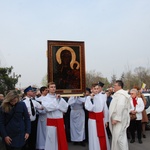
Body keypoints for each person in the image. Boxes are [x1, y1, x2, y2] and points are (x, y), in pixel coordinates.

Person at [42, 82, 69, 150]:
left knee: (61, 139)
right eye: (51, 87)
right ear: (48, 88)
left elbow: (65, 108)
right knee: (51, 140)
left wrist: (58, 101)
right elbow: (48, 108)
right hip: (52, 122)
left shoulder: (59, 97)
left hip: (60, 121)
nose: (53, 88)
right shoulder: (45, 98)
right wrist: (56, 102)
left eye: (54, 87)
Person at [85, 83, 110, 150]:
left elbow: (105, 108)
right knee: (94, 135)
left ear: (99, 89)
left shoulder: (103, 96)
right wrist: (91, 99)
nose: (96, 90)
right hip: (93, 120)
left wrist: (106, 120)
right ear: (92, 89)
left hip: (101, 118)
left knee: (102, 135)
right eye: (94, 89)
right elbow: (89, 108)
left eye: (97, 88)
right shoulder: (88, 98)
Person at [109, 80, 131, 150]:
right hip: (118, 120)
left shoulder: (122, 95)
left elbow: (120, 106)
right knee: (117, 137)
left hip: (119, 120)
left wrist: (116, 118)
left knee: (119, 138)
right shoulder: (119, 94)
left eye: (115, 86)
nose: (113, 87)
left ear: (119, 86)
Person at [23, 86, 43, 150]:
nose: (33, 92)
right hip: (26, 123)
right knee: (26, 139)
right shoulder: (23, 102)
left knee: (33, 138)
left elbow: (41, 107)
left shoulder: (34, 101)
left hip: (33, 122)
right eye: (31, 91)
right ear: (27, 92)